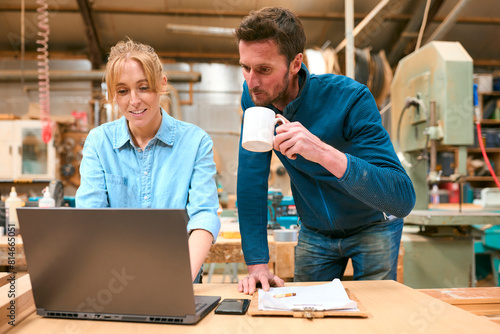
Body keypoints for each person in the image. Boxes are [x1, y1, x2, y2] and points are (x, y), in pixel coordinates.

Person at [235, 7, 416, 294]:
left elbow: (402, 199)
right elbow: (250, 181)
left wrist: (321, 152)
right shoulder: (256, 97)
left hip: (373, 225)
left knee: (379, 316)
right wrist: (257, 264)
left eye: (264, 69)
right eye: (245, 67)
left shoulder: (350, 98)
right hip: (315, 231)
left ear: (296, 64)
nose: (251, 82)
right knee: (306, 316)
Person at [76, 39, 220, 283]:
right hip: (113, 281)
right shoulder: (99, 143)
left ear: (161, 84)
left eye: (143, 87)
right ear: (113, 95)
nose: (134, 100)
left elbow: (203, 216)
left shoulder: (195, 142)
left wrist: (177, 280)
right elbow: (91, 218)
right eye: (122, 91)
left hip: (179, 274)